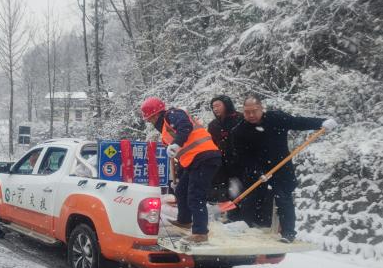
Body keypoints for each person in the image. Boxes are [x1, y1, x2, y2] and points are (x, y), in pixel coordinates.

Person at [231, 95, 338, 242]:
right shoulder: (239, 131)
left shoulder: (276, 118)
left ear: (262, 109)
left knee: (283, 198)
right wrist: (258, 172)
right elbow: (243, 157)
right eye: (247, 112)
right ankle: (247, 230)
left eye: (254, 111)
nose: (251, 115)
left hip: (281, 167)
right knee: (251, 199)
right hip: (257, 170)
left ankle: (288, 233)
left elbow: (298, 122)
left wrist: (321, 123)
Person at [141, 97, 222, 244]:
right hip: (194, 160)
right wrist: (180, 171)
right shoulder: (165, 129)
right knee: (181, 190)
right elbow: (182, 151)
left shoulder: (173, 114)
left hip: (205, 156)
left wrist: (176, 144)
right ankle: (185, 220)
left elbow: (185, 126)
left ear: (156, 114)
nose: (150, 122)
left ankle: (200, 233)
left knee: (196, 195)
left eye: (150, 118)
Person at [206, 95, 243, 202]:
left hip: (240, 161)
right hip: (221, 163)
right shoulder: (213, 125)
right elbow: (210, 143)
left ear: (227, 105)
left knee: (240, 190)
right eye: (213, 107)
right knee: (223, 191)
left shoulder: (240, 119)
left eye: (218, 105)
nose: (215, 109)